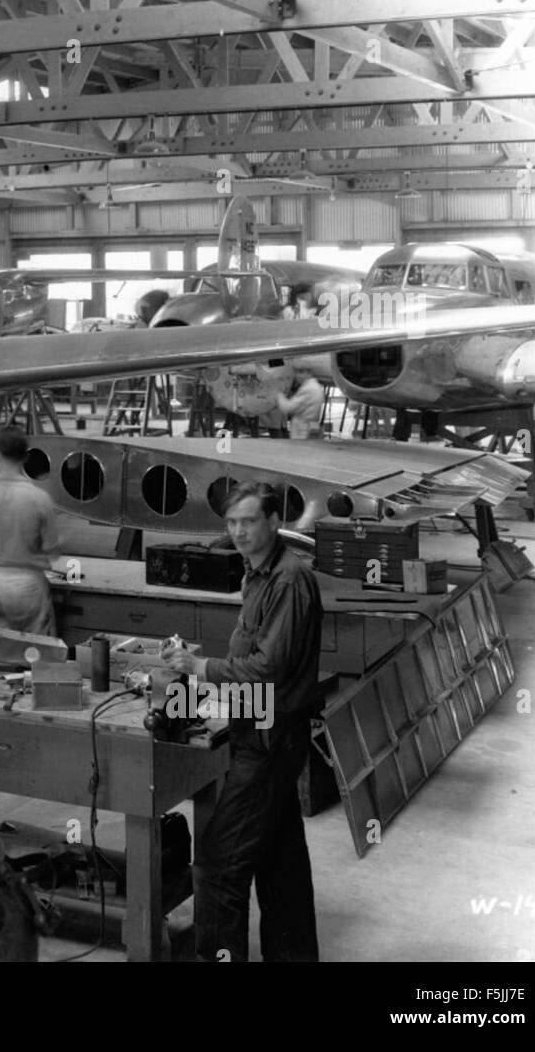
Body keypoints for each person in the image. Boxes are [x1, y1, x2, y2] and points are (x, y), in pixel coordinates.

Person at [161, 482, 322, 962]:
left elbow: (269, 669)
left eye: (249, 521)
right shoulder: (257, 575)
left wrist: (200, 670)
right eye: (231, 523)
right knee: (279, 859)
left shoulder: (289, 580)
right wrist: (203, 668)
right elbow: (250, 655)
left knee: (218, 863)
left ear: (274, 521)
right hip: (258, 722)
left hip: (272, 734)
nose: (239, 532)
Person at [0, 427, 62, 666]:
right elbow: (52, 550)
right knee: (39, 658)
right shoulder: (39, 498)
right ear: (25, 458)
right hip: (27, 585)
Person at [275, 375, 325, 440]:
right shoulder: (317, 387)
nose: (296, 377)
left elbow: (288, 407)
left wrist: (278, 394)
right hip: (309, 427)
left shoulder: (308, 389)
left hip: (301, 430)